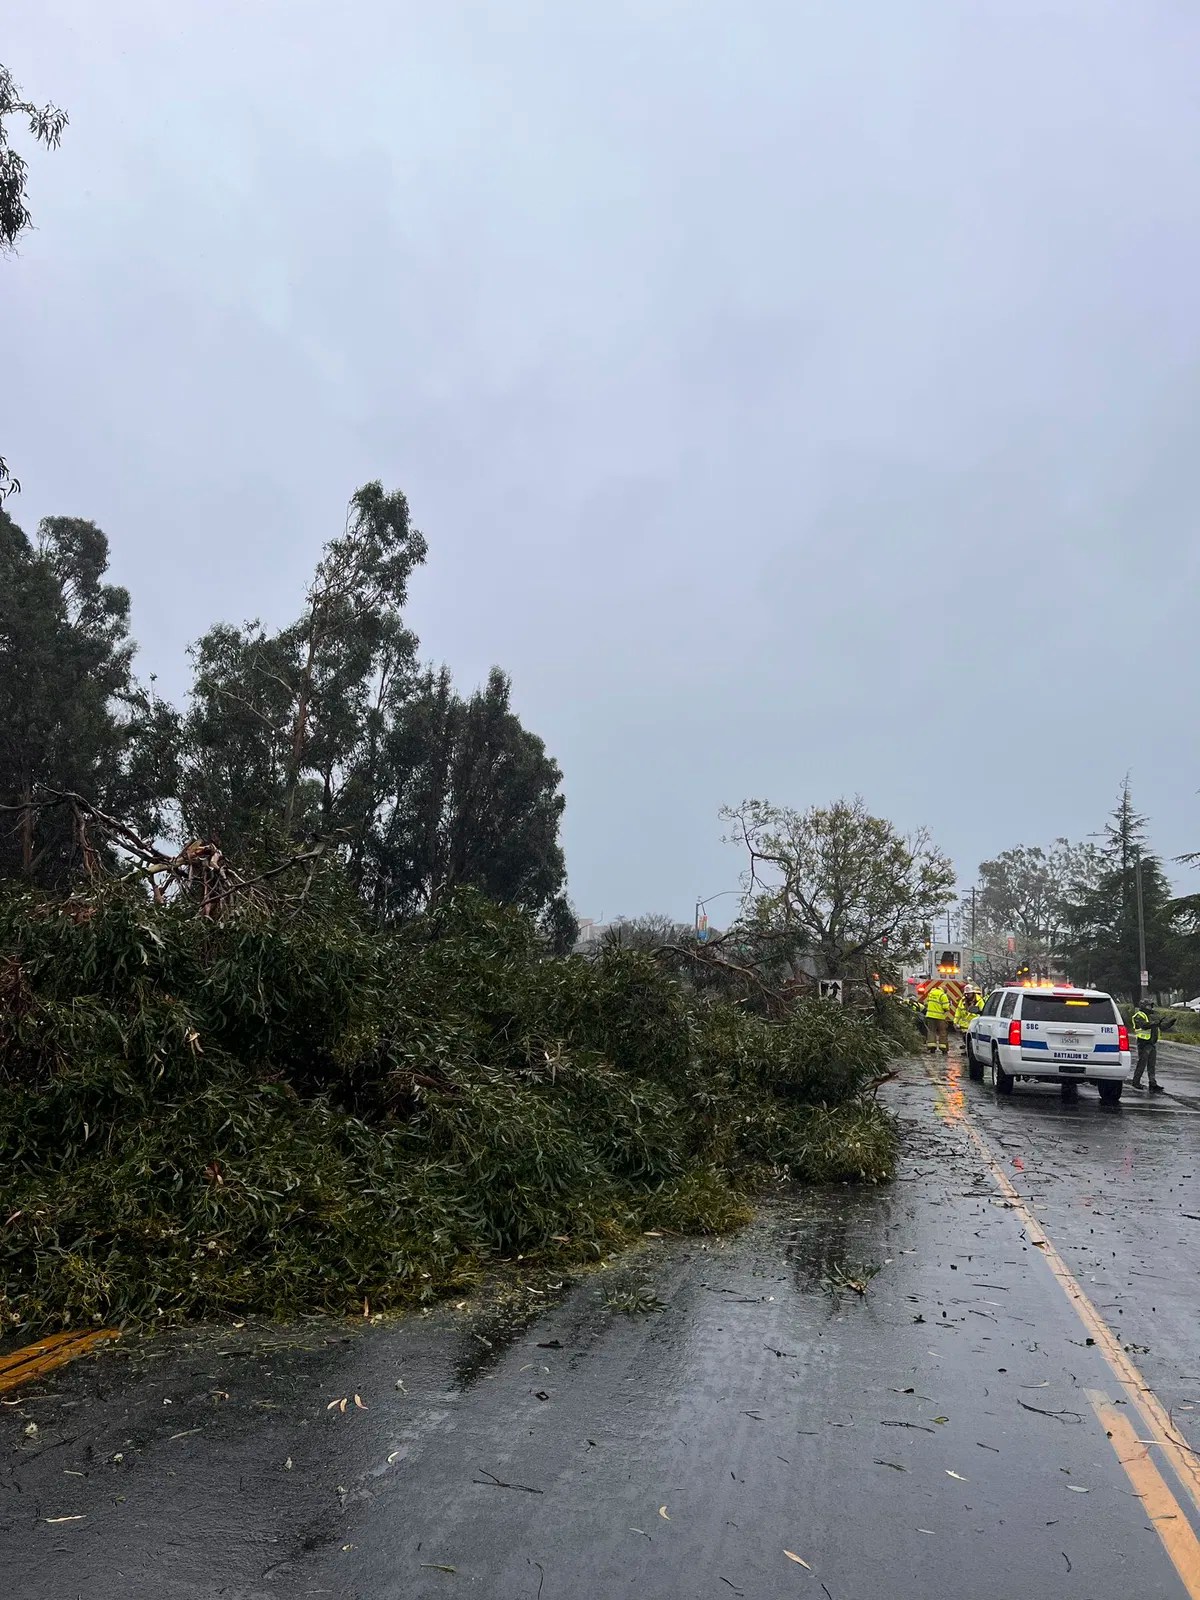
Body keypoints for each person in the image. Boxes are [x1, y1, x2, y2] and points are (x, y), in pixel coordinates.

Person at [1130, 1003, 1174, 1094]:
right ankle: (1136, 1082)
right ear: (1143, 1006)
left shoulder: (1152, 1016)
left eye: (1151, 1006)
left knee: (1151, 1065)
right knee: (1142, 1063)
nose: (1150, 1008)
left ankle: (1153, 1084)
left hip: (1152, 1043)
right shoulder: (1138, 1015)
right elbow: (1144, 1025)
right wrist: (1156, 1022)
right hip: (1143, 1043)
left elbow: (1161, 1027)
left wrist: (1170, 1023)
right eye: (1148, 1006)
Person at [924, 981, 952, 1055]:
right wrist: (948, 1008)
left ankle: (931, 1047)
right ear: (945, 991)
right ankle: (943, 1048)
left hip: (930, 1016)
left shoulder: (931, 993)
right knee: (942, 1032)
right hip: (939, 1017)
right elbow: (945, 1007)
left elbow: (927, 1003)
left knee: (931, 1031)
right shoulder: (943, 995)